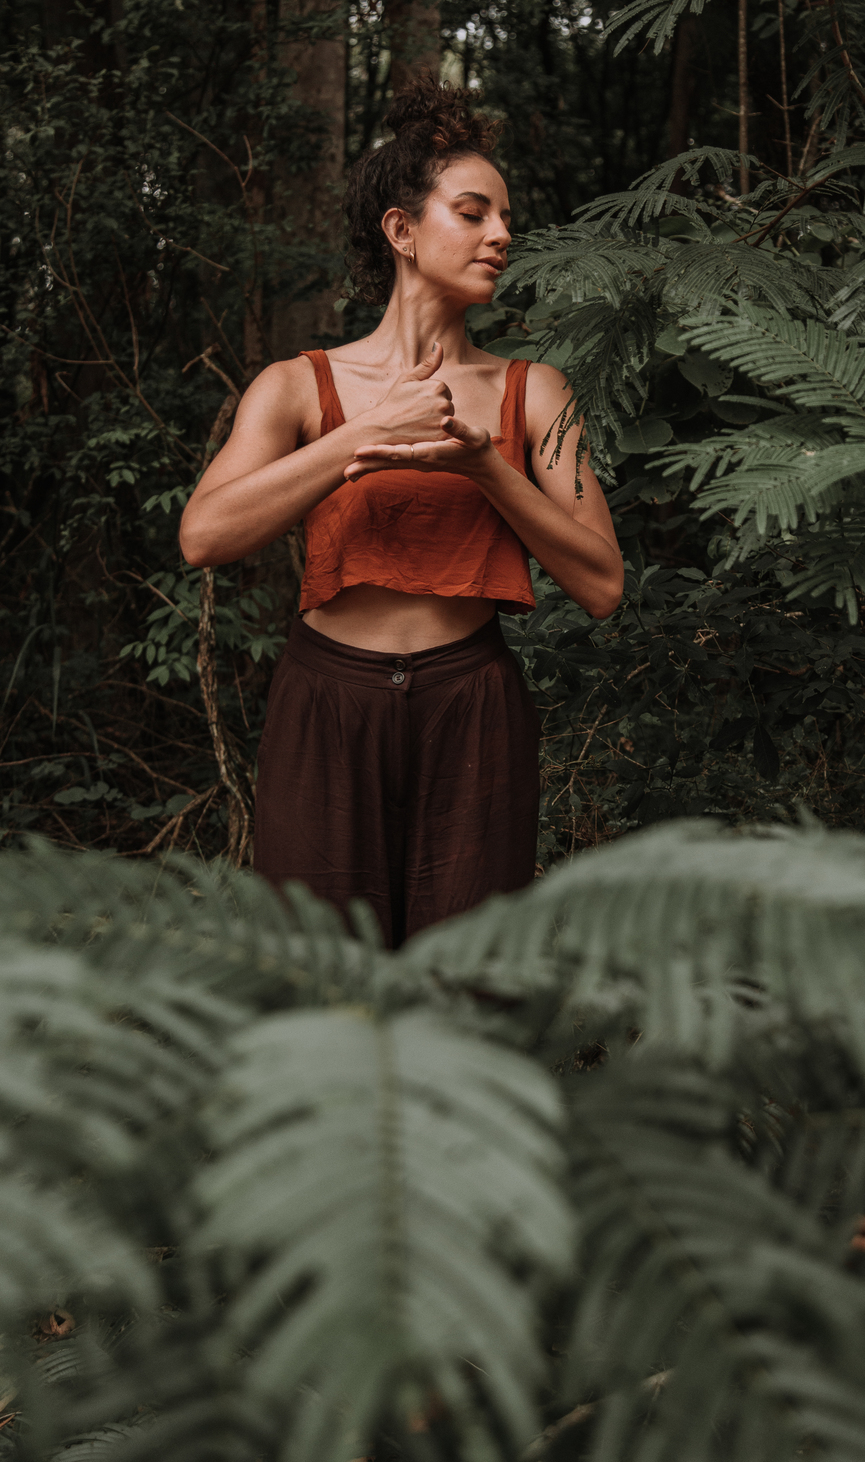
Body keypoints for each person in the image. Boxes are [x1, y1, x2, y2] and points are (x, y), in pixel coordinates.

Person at [179, 78, 623, 946]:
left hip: (473, 703)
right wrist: (366, 434)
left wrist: (486, 466)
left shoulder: (533, 392)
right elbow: (205, 535)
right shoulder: (297, 385)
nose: (502, 235)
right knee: (320, 977)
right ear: (402, 231)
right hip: (326, 700)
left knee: (467, 979)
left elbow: (603, 585)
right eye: (473, 213)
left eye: (504, 218)